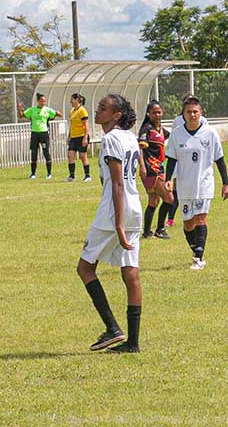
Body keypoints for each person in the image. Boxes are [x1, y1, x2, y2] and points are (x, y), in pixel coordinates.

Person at [77, 95, 145, 353]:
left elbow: (116, 182)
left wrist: (117, 223)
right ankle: (133, 342)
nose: (98, 111)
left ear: (116, 115)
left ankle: (112, 328)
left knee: (85, 268)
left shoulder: (111, 139)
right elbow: (138, 170)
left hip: (113, 213)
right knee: (130, 270)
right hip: (134, 209)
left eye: (103, 108)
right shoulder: (129, 136)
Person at [168, 96, 228, 270]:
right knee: (188, 224)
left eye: (196, 111)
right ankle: (196, 251)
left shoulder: (210, 133)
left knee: (200, 218)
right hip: (184, 184)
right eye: (189, 112)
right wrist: (167, 180)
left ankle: (197, 258)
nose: (193, 115)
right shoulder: (177, 134)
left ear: (200, 113)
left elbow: (219, 159)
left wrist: (226, 183)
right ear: (184, 114)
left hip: (204, 183)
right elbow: (171, 159)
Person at [138, 100, 174, 239]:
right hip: (150, 169)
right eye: (154, 112)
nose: (157, 115)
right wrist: (142, 166)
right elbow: (140, 148)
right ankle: (160, 229)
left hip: (159, 167)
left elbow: (172, 137)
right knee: (169, 198)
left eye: (159, 112)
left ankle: (147, 231)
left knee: (153, 200)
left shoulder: (160, 129)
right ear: (148, 114)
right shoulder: (147, 129)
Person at [20, 93, 59, 179]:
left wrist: (57, 114)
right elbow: (21, 116)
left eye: (44, 101)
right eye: (41, 101)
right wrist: (19, 109)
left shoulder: (47, 110)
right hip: (34, 133)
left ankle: (49, 173)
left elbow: (56, 114)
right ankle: (33, 174)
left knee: (46, 152)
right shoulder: (32, 110)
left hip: (44, 133)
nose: (43, 103)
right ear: (37, 101)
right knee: (34, 153)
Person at [66, 93, 91, 182]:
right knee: (70, 155)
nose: (71, 101)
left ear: (77, 100)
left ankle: (87, 176)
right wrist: (69, 136)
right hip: (74, 137)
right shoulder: (72, 111)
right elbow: (71, 124)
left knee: (82, 156)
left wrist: (85, 137)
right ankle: (71, 176)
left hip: (81, 136)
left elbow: (86, 124)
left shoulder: (82, 111)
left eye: (72, 99)